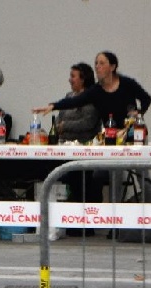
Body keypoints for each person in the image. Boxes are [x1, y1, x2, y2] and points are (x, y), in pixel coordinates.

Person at [34, 51, 151, 210]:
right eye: (96, 63)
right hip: (112, 138)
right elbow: (75, 100)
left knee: (143, 176)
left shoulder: (127, 83)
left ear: (112, 66)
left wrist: (138, 113)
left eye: (102, 63)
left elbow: (146, 98)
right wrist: (54, 106)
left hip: (134, 133)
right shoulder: (96, 91)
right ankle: (114, 222)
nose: (97, 66)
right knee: (115, 176)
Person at [53, 62, 102, 214]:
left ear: (83, 79)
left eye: (73, 76)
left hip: (84, 150)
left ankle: (83, 218)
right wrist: (57, 127)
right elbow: (58, 119)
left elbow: (88, 122)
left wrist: (65, 126)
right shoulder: (69, 97)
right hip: (64, 147)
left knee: (79, 178)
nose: (70, 80)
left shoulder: (92, 99)